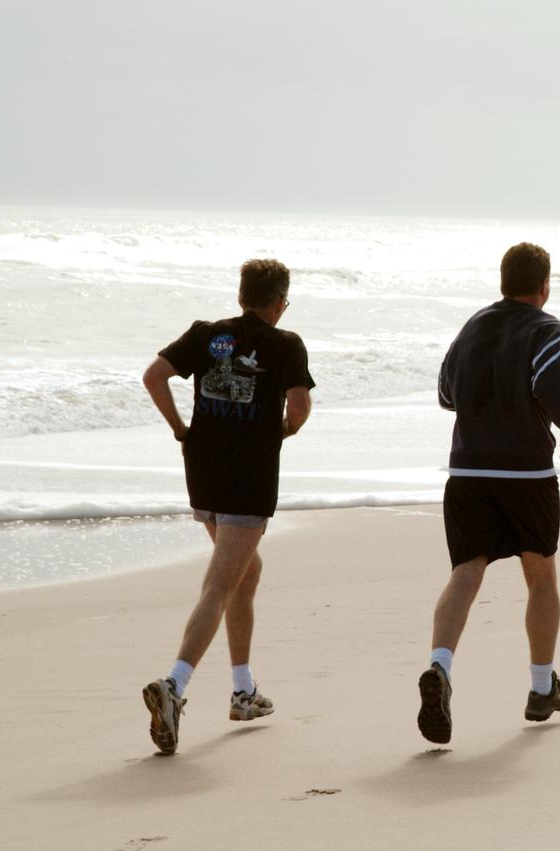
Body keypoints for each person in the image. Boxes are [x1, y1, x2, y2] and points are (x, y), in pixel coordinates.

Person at [140, 258, 314, 755]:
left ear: (241, 296)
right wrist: (283, 430)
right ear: (279, 301)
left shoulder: (205, 334)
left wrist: (180, 431)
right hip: (248, 480)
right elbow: (299, 409)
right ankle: (173, 686)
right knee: (220, 584)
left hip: (204, 474)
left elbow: (154, 377)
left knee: (246, 571)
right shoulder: (285, 345)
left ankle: (243, 690)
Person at [417, 242, 560, 744]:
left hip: (466, 471)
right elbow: (554, 388)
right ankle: (541, 688)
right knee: (540, 578)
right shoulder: (547, 329)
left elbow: (447, 394)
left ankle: (440, 667)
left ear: (503, 281)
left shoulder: (472, 327)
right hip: (526, 475)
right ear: (544, 285)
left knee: (466, 572)